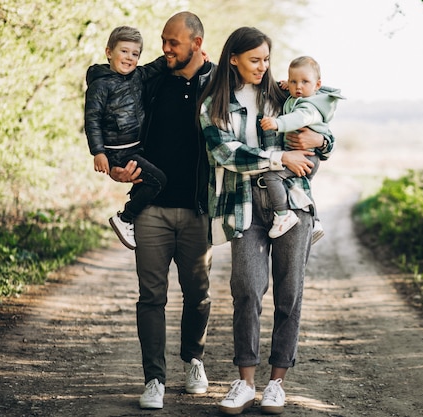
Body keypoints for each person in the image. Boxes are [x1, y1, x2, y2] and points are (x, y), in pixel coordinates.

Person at [199, 27, 334, 415]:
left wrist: (319, 143)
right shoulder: (214, 106)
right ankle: (244, 383)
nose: (263, 66)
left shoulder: (282, 94)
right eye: (255, 59)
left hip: (292, 205)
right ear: (233, 59)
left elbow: (321, 128)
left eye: (266, 59)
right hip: (244, 206)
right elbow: (225, 153)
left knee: (289, 293)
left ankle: (277, 383)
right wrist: (278, 159)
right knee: (246, 288)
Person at [109, 12, 214, 410]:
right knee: (151, 297)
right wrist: (116, 163)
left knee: (198, 294)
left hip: (198, 209)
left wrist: (316, 141)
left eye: (174, 43)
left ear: (197, 43)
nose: (165, 49)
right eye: (164, 41)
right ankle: (154, 378)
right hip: (150, 208)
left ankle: (194, 361)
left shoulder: (220, 82)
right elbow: (115, 113)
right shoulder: (151, 81)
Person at [84, 26, 167, 250]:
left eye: (135, 54)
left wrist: (191, 54)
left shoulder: (138, 76)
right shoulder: (100, 85)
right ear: (109, 52)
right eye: (124, 51)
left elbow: (159, 65)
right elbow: (92, 120)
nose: (130, 58)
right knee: (159, 180)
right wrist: (99, 153)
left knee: (152, 177)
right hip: (117, 151)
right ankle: (126, 218)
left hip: (136, 147)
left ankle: (137, 220)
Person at [260, 56, 344, 241]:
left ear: (317, 84)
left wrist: (277, 123)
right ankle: (315, 221)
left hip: (308, 156)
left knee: (272, 175)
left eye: (304, 82)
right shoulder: (299, 97)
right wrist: (285, 86)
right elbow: (293, 98)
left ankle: (283, 215)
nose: (298, 86)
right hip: (305, 156)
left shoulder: (310, 106)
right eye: (293, 81)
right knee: (298, 188)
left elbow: (298, 119)